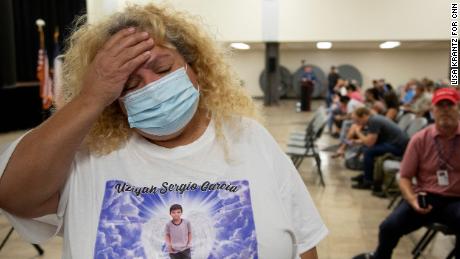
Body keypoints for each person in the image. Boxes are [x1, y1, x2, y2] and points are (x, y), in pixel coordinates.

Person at [0, 4, 327, 259]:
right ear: (116, 99)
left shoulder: (250, 138)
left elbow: (303, 241)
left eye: (162, 69)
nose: (152, 88)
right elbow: (12, 193)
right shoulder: (85, 157)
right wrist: (91, 97)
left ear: (195, 68)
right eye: (130, 83)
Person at [353, 87, 460, 259]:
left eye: (450, 105)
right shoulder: (420, 139)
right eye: (440, 106)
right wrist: (412, 200)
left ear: (458, 108)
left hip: (457, 199)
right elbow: (405, 177)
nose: (445, 110)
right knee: (388, 227)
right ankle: (379, 256)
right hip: (426, 197)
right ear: (433, 111)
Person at [350, 107, 409, 190]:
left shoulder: (373, 121)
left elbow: (369, 143)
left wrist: (358, 132)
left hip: (398, 147)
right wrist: (358, 141)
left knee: (368, 151)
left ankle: (368, 181)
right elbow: (372, 139)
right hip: (394, 143)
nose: (357, 123)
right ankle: (367, 174)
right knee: (366, 148)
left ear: (363, 116)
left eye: (358, 120)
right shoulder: (374, 119)